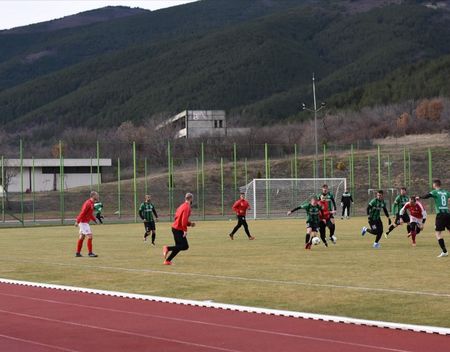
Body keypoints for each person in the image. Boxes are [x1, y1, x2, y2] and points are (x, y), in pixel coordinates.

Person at [419, 179, 450, 257]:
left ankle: (444, 251)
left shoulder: (435, 192)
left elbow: (427, 196)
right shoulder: (446, 192)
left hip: (440, 215)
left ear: (435, 185)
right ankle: (444, 252)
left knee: (438, 233)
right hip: (447, 213)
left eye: (433, 184)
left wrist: (419, 197)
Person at [162, 193, 196, 265]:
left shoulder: (181, 206)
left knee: (179, 246)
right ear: (191, 199)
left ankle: (167, 261)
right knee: (185, 246)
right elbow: (183, 220)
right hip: (178, 229)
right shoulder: (187, 207)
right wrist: (185, 230)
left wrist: (189, 224)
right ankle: (167, 248)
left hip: (175, 228)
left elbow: (177, 217)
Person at [74, 191, 99, 257]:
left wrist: (94, 220)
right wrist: (77, 221)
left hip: (85, 222)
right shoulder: (88, 203)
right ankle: (90, 253)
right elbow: (82, 212)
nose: (98, 196)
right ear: (93, 196)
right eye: (97, 195)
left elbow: (89, 213)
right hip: (83, 222)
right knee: (90, 236)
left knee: (82, 237)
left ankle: (78, 253)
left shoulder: (92, 203)